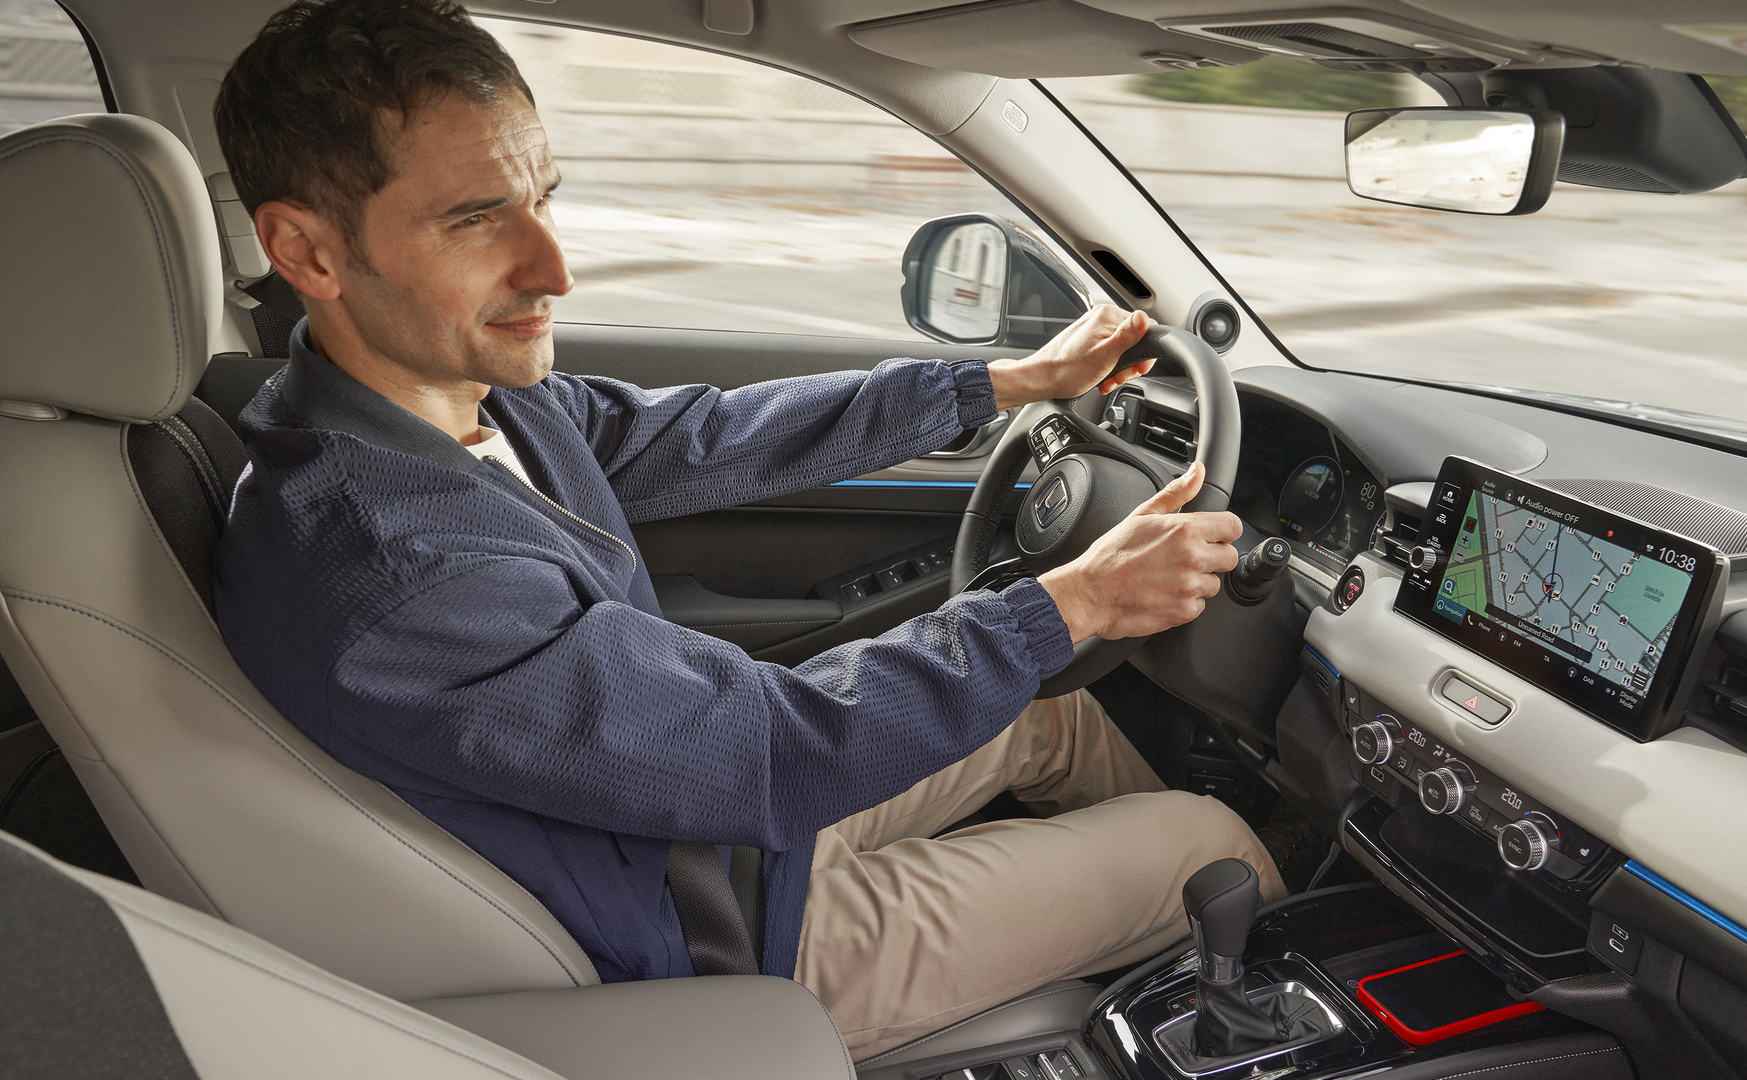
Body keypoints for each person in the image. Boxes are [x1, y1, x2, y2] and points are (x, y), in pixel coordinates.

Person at [211, 0, 1281, 1058]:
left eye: (543, 199)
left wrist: (1001, 384)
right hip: (706, 934)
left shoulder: (453, 404)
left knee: (1046, 717)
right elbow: (770, 755)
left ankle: (1129, 956)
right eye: (477, 218)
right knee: (1207, 842)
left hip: (692, 830)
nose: (554, 270)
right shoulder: (396, 569)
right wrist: (1079, 598)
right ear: (307, 251)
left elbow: (704, 438)